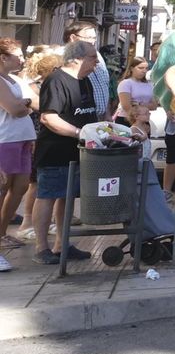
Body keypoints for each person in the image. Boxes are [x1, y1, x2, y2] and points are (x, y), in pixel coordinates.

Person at [32, 40, 101, 265]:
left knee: (67, 197)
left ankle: (63, 244)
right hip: (55, 150)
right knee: (48, 196)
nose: (97, 63)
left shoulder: (85, 81)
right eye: (93, 58)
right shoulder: (56, 80)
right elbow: (49, 118)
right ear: (77, 59)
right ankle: (41, 247)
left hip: (79, 152)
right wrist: (79, 132)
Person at [0, 38, 35, 263]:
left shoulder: (13, 79)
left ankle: (3, 233)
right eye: (17, 55)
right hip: (6, 140)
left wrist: (25, 103)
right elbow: (14, 109)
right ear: (3, 57)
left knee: (20, 187)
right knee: (3, 187)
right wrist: (25, 104)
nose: (22, 59)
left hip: (23, 139)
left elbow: (27, 104)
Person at [64, 20, 111, 122]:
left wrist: (107, 114)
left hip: (99, 120)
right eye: (88, 38)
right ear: (73, 38)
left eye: (94, 38)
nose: (92, 41)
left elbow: (104, 85)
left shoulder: (98, 56)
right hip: (77, 119)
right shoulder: (63, 58)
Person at [115, 55, 156, 136]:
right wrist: (136, 123)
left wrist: (139, 105)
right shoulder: (126, 83)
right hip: (126, 120)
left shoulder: (149, 85)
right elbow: (126, 106)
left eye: (146, 68)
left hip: (144, 121)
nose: (144, 71)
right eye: (140, 68)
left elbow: (154, 105)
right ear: (131, 68)